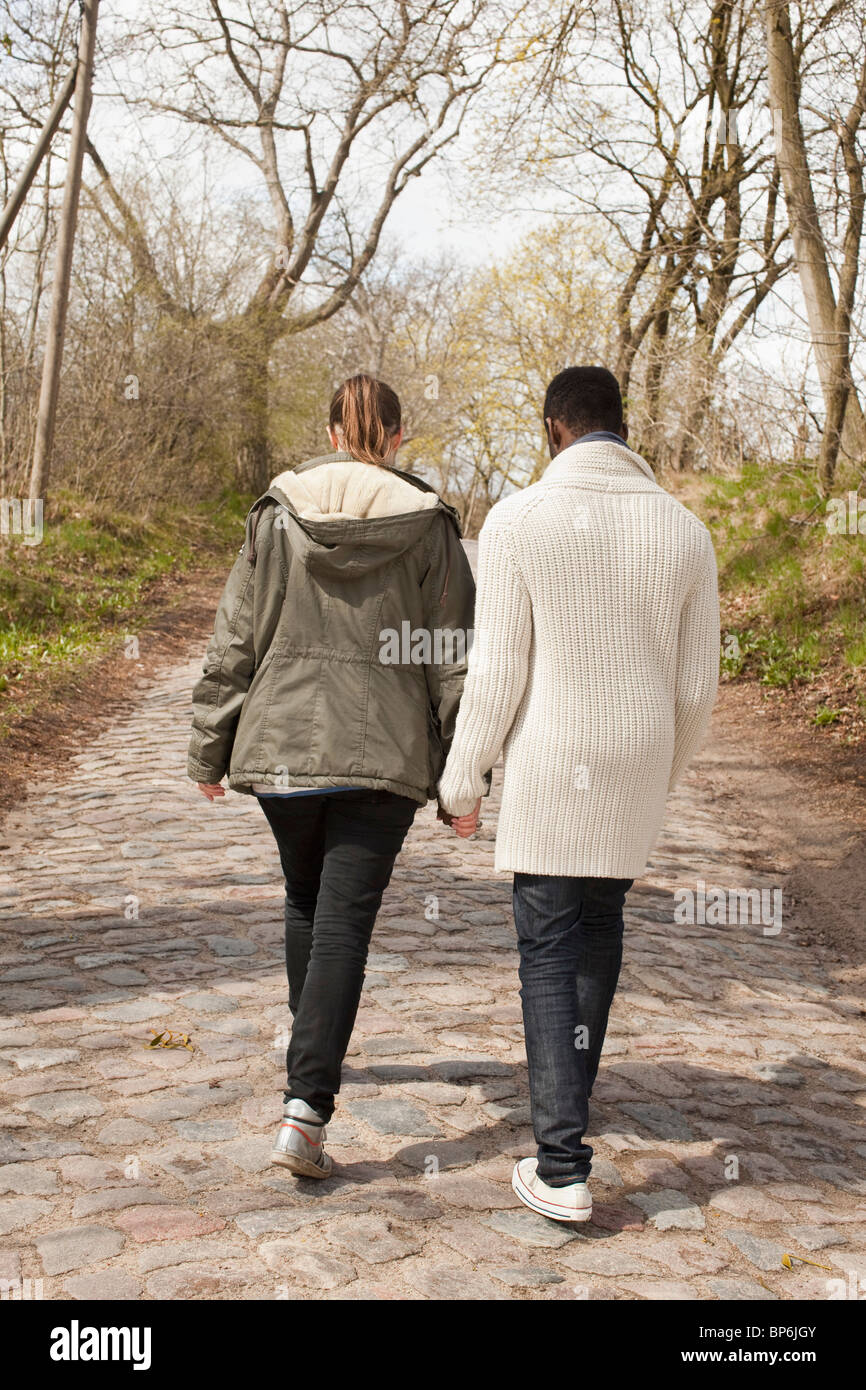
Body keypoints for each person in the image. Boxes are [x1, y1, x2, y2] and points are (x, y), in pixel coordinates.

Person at [439, 366, 719, 1222]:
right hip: (636, 757)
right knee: (597, 930)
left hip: (554, 760)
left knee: (551, 948)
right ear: (619, 428)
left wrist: (463, 776)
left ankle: (562, 1166)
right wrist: (658, 776)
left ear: (554, 427)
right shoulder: (684, 530)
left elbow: (498, 669)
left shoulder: (520, 518)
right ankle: (567, 1131)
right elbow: (697, 688)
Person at [188, 374, 475, 1177]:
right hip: (383, 756)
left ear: (331, 431)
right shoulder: (430, 528)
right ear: (396, 437)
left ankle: (309, 1052)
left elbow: (235, 641)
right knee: (342, 920)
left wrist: (211, 745)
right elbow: (451, 659)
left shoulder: (275, 516)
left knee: (306, 901)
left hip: (283, 747)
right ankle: (306, 1112)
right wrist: (462, 774)